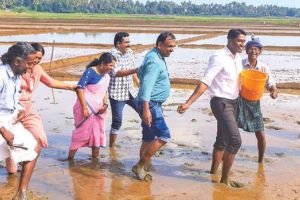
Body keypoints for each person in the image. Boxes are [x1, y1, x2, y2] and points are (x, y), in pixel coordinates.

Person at [177, 29, 247, 187]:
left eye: (244, 41)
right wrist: (188, 103)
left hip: (233, 102)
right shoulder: (219, 57)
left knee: (222, 140)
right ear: (230, 40)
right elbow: (205, 82)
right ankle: (225, 179)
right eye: (240, 41)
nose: (243, 44)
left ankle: (213, 173)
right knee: (235, 141)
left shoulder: (238, 57)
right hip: (221, 102)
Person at [5, 43, 76, 174]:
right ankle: (14, 165)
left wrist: (71, 87)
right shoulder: (16, 69)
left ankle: (26, 165)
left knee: (38, 136)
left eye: (39, 59)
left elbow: (51, 82)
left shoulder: (37, 69)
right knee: (12, 163)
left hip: (27, 109)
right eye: (33, 59)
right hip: (11, 110)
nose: (35, 62)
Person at [132, 31, 176, 181]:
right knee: (164, 136)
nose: (172, 49)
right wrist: (146, 109)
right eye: (169, 46)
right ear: (159, 45)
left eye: (173, 46)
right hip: (150, 104)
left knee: (148, 135)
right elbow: (146, 87)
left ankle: (144, 165)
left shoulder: (155, 55)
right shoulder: (154, 62)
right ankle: (140, 165)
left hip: (149, 103)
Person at [0, 42, 41, 200]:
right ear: (17, 61)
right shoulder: (1, 75)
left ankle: (21, 193)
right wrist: (3, 130)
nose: (31, 67)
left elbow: (13, 98)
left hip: (10, 119)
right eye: (29, 63)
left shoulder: (17, 75)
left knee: (34, 147)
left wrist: (19, 110)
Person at [237, 35, 278, 163]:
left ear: (260, 52)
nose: (253, 51)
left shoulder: (263, 68)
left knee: (260, 133)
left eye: (256, 49)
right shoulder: (239, 64)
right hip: (238, 101)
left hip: (254, 102)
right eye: (251, 49)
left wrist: (273, 90)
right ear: (246, 50)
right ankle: (223, 157)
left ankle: (260, 160)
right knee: (230, 130)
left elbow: (270, 82)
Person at [68, 52, 116, 160]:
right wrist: (85, 107)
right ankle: (70, 159)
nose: (112, 68)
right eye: (111, 65)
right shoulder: (90, 72)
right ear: (103, 64)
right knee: (80, 134)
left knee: (97, 136)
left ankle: (95, 160)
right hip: (86, 109)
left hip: (99, 111)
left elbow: (104, 91)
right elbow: (79, 88)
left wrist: (105, 104)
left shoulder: (106, 76)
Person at [108, 32, 140, 148]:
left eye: (129, 42)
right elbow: (116, 73)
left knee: (144, 112)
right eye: (126, 42)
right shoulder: (111, 55)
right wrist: (135, 70)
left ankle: (148, 139)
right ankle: (111, 146)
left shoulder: (130, 53)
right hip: (116, 93)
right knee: (117, 121)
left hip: (131, 91)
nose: (129, 45)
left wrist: (140, 86)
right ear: (118, 43)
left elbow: (134, 72)